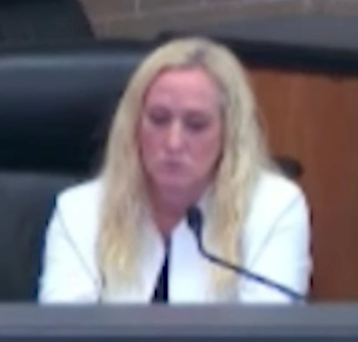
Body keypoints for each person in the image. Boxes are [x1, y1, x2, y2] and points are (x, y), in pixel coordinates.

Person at [38, 38, 311, 304]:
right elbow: (63, 328)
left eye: (196, 125)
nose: (173, 143)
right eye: (158, 120)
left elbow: (268, 329)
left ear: (229, 132)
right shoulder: (80, 211)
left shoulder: (273, 208)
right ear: (133, 125)